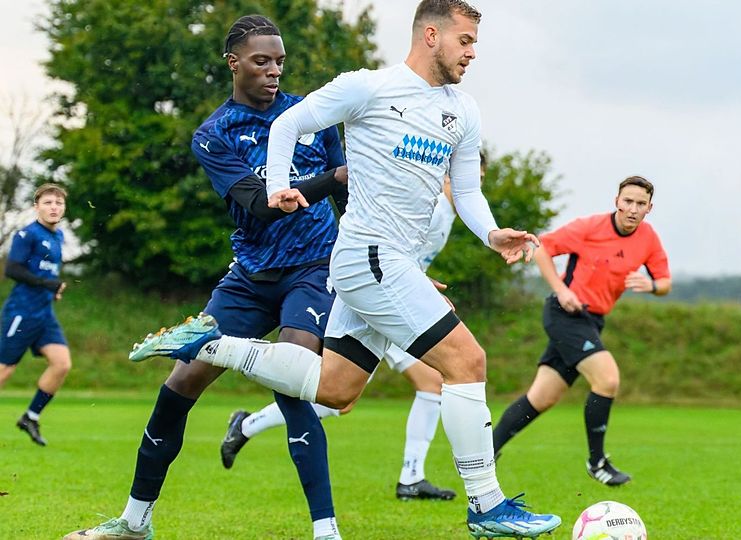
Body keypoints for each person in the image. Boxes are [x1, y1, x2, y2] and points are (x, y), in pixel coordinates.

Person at [129, 2, 561, 537]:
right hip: (369, 255)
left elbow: (467, 190)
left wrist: (492, 234)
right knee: (467, 361)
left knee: (337, 390)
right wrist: (279, 185)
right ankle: (487, 507)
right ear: (431, 35)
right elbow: (290, 121)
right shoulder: (368, 87)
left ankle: (211, 346)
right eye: (465, 41)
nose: (473, 52)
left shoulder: (463, 111)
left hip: (384, 263)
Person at [65, 15, 349, 540]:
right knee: (178, 386)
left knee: (293, 381)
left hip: (312, 270)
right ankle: (134, 521)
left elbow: (350, 198)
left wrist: (384, 258)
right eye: (261, 61)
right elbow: (257, 207)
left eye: (280, 61)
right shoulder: (214, 134)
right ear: (233, 62)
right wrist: (329, 178)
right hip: (249, 277)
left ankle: (326, 531)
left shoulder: (312, 117)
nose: (273, 71)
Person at [221, 158, 486, 502]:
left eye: (479, 180)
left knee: (352, 396)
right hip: (381, 298)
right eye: (469, 177)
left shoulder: (447, 213)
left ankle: (411, 477)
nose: (473, 185)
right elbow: (385, 249)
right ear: (447, 175)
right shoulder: (433, 208)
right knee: (350, 392)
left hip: (394, 297)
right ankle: (229, 368)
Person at [491, 175, 671, 487]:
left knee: (542, 397)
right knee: (608, 378)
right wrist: (561, 290)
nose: (633, 209)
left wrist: (652, 285)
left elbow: (665, 283)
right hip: (565, 314)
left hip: (592, 321)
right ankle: (597, 462)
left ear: (649, 208)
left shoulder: (648, 238)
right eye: (628, 201)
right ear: (616, 201)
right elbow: (542, 248)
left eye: (640, 204)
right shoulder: (589, 227)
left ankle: (485, 452)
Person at [0, 184, 71, 447]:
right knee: (4, 370)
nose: (54, 207)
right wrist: (46, 284)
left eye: (58, 203)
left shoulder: (58, 237)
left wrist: (54, 288)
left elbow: (45, 274)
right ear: (36, 207)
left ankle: (30, 417)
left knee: (62, 363)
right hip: (21, 312)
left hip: (44, 314)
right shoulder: (26, 234)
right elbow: (13, 270)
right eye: (48, 202)